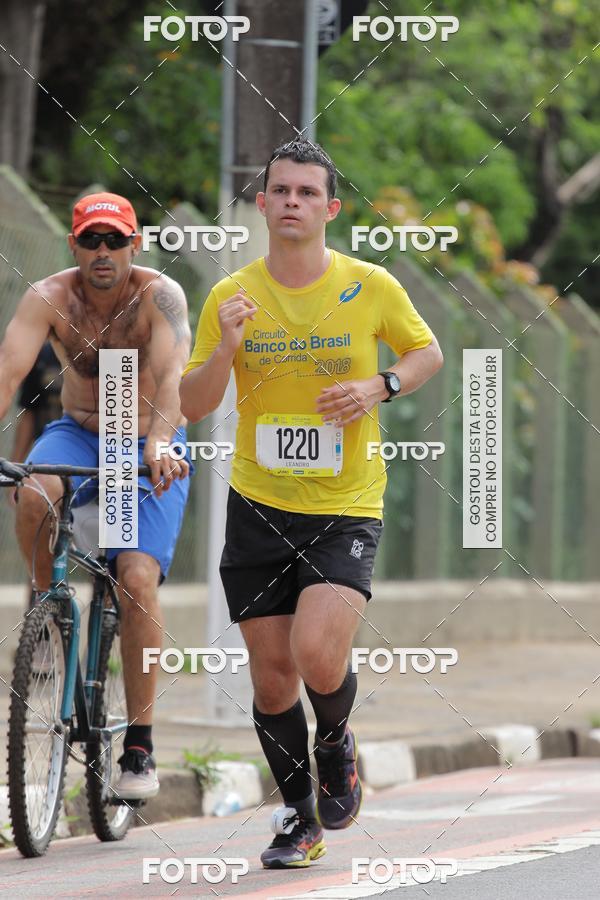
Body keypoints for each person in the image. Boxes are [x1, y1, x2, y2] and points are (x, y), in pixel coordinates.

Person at [180, 137, 444, 868]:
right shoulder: (229, 295)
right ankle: (299, 816)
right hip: (258, 503)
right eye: (280, 191)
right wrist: (228, 348)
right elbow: (193, 403)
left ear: (329, 208)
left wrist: (377, 386)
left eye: (307, 192)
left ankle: (336, 741)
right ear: (262, 205)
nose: (292, 202)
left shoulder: (371, 285)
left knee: (317, 657)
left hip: (345, 503)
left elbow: (428, 354)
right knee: (270, 679)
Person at [0, 191, 192, 800]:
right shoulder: (50, 297)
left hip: (144, 443)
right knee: (33, 492)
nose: (103, 251)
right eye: (92, 240)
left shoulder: (159, 295)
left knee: (135, 577)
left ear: (135, 243)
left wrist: (161, 440)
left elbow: (170, 376)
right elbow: (8, 367)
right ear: (74, 245)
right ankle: (49, 613)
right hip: (80, 434)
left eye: (116, 240)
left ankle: (139, 743)